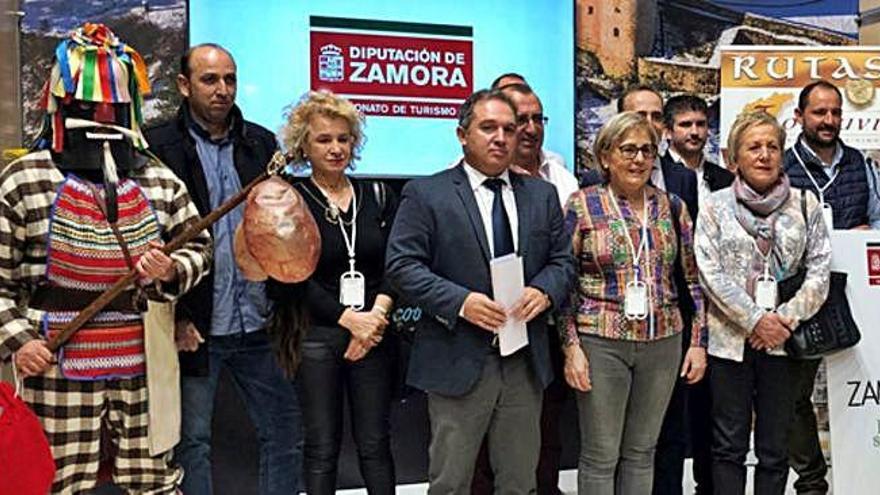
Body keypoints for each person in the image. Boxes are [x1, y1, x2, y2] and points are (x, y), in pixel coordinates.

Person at [0, 24, 211, 493]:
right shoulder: (23, 180)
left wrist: (172, 269)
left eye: (112, 106)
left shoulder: (158, 180)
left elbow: (199, 246)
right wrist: (19, 341)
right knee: (54, 480)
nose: (100, 115)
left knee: (154, 478)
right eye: (88, 104)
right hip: (56, 357)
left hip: (145, 358)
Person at [386, 89, 574, 495]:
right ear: (462, 134)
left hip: (524, 360)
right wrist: (461, 302)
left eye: (510, 128)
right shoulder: (427, 193)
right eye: (488, 127)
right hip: (458, 357)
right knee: (451, 482)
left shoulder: (541, 196)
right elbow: (402, 267)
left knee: (520, 481)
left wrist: (544, 291)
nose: (502, 137)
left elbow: (563, 263)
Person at [145, 44, 302, 495]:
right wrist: (175, 315)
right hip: (196, 325)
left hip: (257, 321)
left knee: (285, 431)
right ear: (183, 85)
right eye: (210, 80)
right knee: (191, 440)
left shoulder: (262, 144)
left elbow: (280, 228)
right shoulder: (157, 147)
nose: (222, 90)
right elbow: (148, 243)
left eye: (229, 79)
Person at [561, 111, 707, 495]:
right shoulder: (582, 206)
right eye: (628, 150)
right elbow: (564, 285)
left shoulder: (672, 206)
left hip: (664, 342)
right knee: (600, 455)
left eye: (647, 150)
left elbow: (692, 280)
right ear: (606, 156)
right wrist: (571, 347)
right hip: (600, 341)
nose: (639, 159)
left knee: (643, 452)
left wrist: (697, 344)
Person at [695, 111, 831, 495]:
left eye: (772, 146)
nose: (764, 155)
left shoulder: (805, 206)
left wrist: (781, 321)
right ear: (734, 157)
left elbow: (820, 272)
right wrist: (756, 320)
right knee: (728, 446)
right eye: (754, 147)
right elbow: (709, 272)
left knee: (775, 448)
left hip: (785, 344)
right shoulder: (714, 207)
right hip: (729, 343)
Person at [280, 90, 398, 494]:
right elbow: (289, 276)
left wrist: (374, 320)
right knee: (321, 447)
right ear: (303, 146)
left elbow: (395, 266)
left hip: (374, 335)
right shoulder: (291, 199)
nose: (335, 148)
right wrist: (349, 320)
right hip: (317, 336)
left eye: (343, 139)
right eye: (323, 140)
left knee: (375, 444)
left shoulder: (377, 195)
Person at [469, 82, 578, 495]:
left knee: (544, 437)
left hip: (541, 332)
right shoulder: (453, 187)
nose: (529, 129)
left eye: (536, 119)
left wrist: (545, 290)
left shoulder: (559, 181)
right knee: (480, 447)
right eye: (520, 120)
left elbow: (564, 259)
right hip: (480, 332)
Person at [782, 80, 880, 495]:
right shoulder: (782, 166)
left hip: (857, 292)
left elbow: (878, 220)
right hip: (802, 293)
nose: (829, 120)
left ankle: (867, 474)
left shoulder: (860, 163)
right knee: (793, 396)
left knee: (865, 387)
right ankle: (811, 480)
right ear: (800, 117)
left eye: (835, 112)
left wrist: (864, 233)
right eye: (819, 112)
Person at [654, 94, 735, 495]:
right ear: (668, 131)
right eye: (686, 124)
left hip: (721, 310)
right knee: (669, 412)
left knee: (711, 410)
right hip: (671, 304)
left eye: (701, 124)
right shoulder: (656, 175)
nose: (695, 132)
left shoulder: (725, 179)